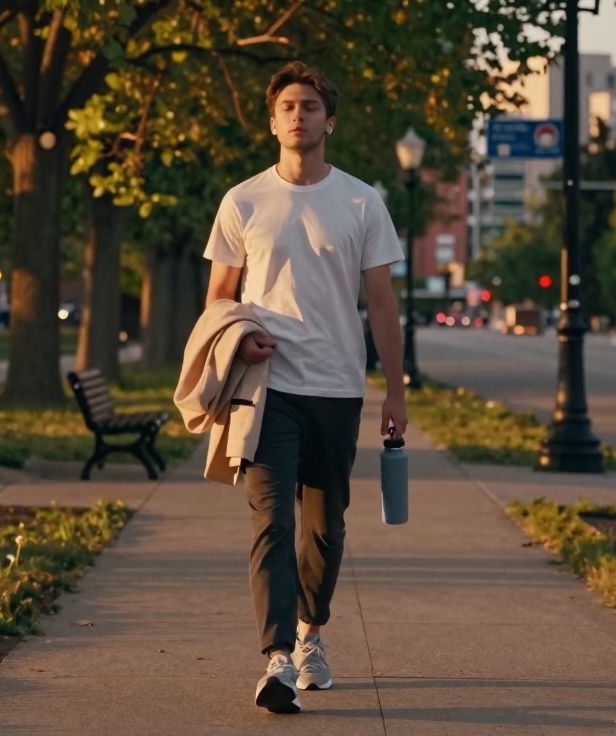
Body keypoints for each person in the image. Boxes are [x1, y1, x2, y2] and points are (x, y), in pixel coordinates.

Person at [201, 61, 408, 714]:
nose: (299, 114)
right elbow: (218, 299)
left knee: (325, 527)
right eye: (288, 105)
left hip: (339, 387)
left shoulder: (359, 202)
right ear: (272, 120)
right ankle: (277, 659)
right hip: (266, 388)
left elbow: (381, 304)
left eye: (311, 106)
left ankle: (311, 633)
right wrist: (242, 338)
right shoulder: (242, 201)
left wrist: (395, 394)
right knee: (271, 520)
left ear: (329, 121)